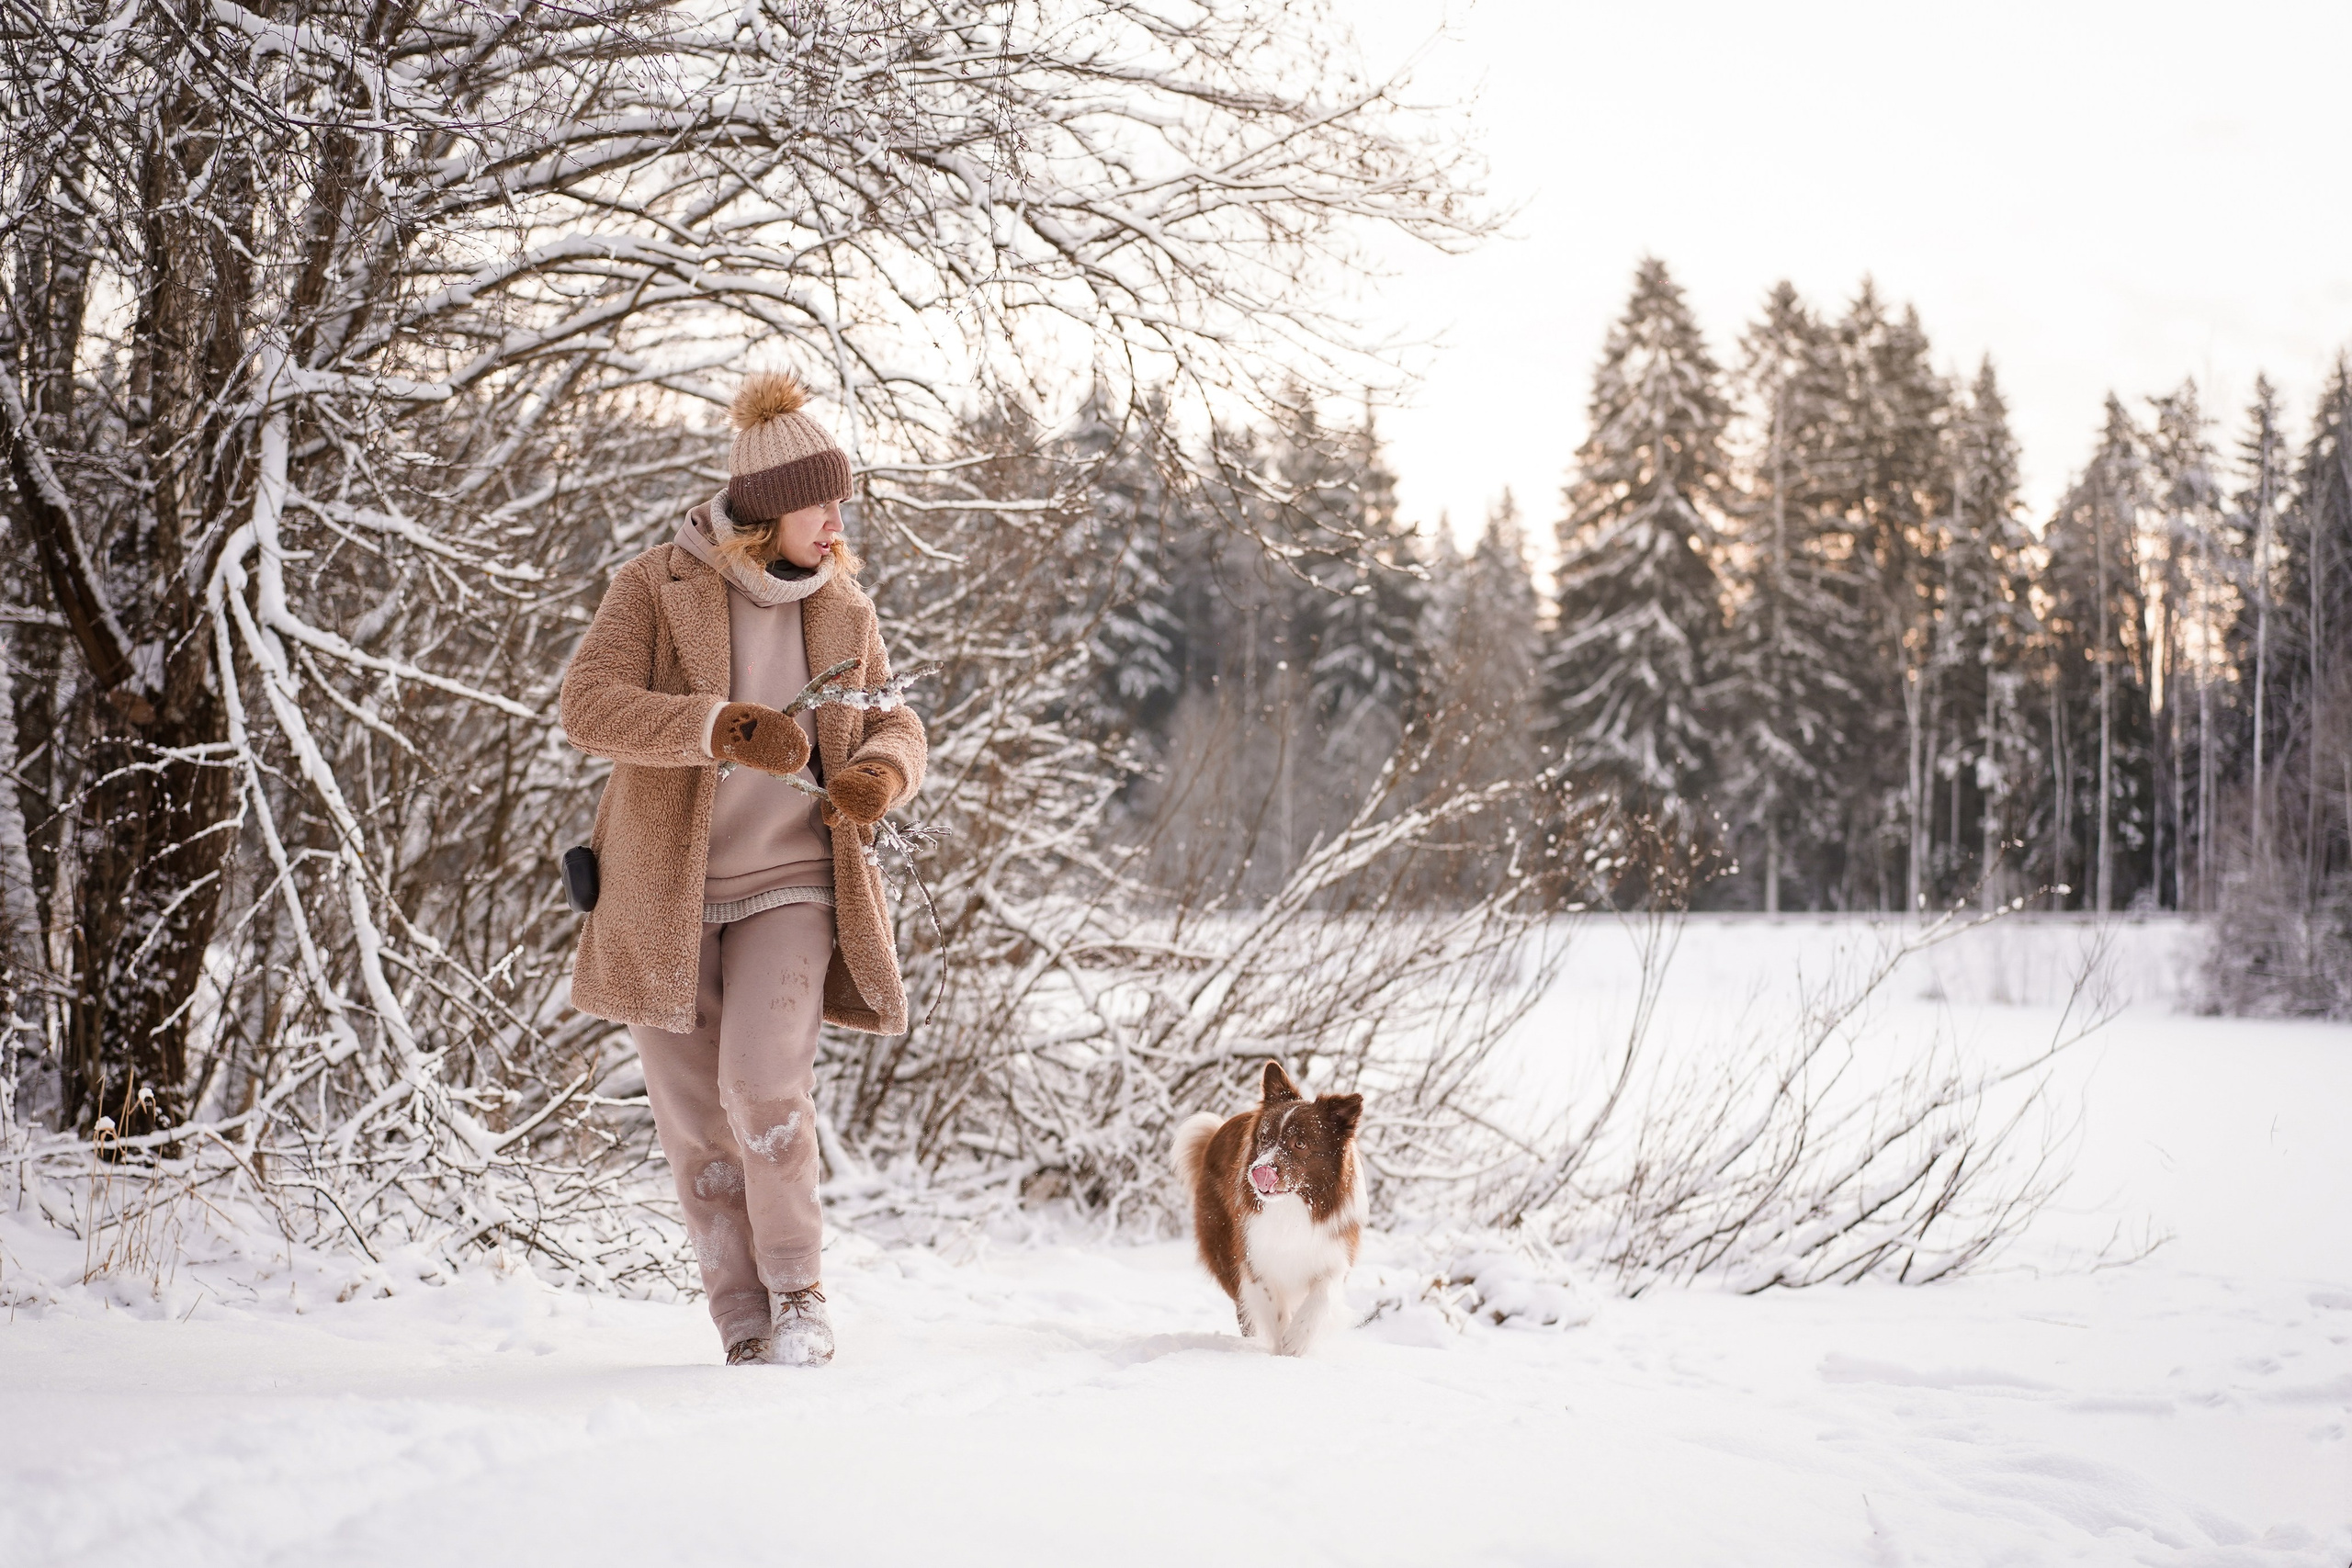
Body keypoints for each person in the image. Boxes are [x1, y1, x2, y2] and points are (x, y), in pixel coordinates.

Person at [559, 372, 926, 1366]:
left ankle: (801, 1296)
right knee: (696, 1128)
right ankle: (742, 1323)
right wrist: (717, 727)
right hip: (662, 898)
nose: (838, 519)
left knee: (764, 1090)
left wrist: (881, 773)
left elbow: (895, 716)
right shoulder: (651, 586)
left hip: (795, 884)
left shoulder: (845, 608)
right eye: (823, 500)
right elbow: (586, 706)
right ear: (766, 511)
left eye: (841, 500)